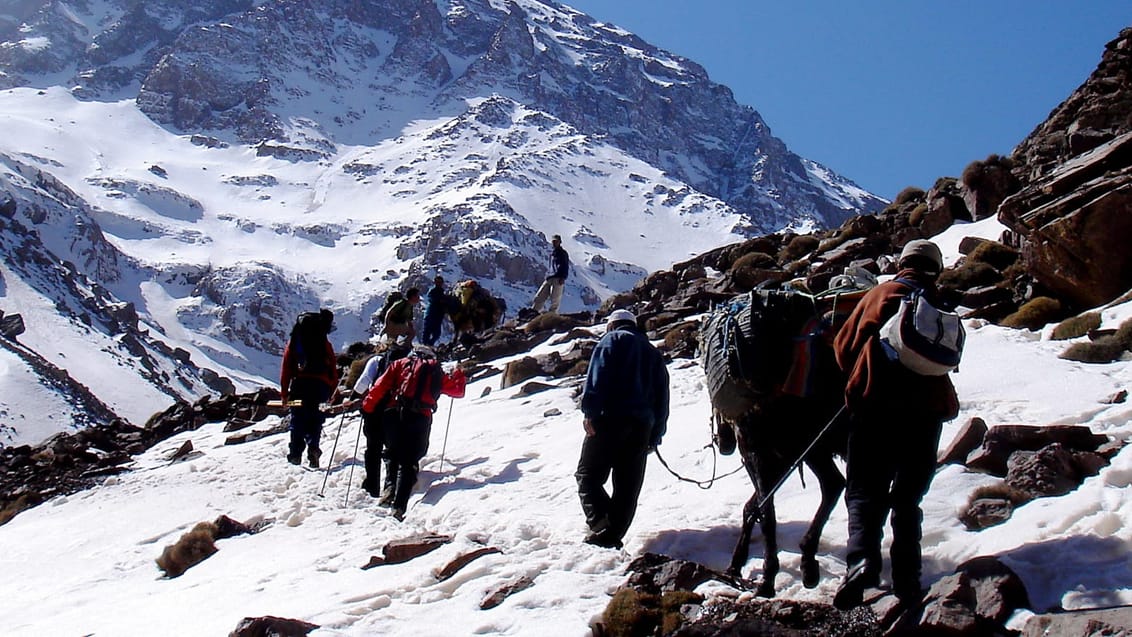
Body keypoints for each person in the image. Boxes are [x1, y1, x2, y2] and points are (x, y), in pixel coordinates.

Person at [831, 239, 960, 610]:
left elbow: (843, 348)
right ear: (935, 268)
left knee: (864, 491)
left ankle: (862, 564)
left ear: (903, 263)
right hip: (928, 413)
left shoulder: (883, 292)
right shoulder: (940, 304)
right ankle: (907, 576)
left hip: (877, 406)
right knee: (908, 498)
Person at [576, 309, 669, 549]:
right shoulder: (652, 353)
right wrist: (655, 435)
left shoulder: (612, 340)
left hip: (610, 420)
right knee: (627, 487)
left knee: (588, 476)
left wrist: (590, 413)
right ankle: (612, 536)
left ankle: (600, 522)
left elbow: (597, 377)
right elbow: (662, 398)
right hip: (642, 428)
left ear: (612, 325)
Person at [361, 346, 466, 520]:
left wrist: (367, 407)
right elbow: (458, 391)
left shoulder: (399, 364)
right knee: (409, 461)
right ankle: (399, 506)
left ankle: (389, 490)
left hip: (394, 413)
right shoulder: (436, 370)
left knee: (392, 453)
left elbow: (380, 386)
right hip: (421, 417)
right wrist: (459, 374)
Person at [279, 309, 339, 468]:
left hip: (298, 386)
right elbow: (333, 367)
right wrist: (331, 392)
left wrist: (284, 394)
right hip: (322, 389)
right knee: (317, 417)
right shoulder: (324, 343)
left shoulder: (294, 341)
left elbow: (286, 368)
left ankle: (295, 453)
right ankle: (314, 448)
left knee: (297, 416)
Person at [353, 344, 411, 503]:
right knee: (393, 450)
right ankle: (391, 487)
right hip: (397, 410)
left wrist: (353, 398)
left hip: (374, 409)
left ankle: (372, 486)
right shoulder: (408, 363)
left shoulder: (377, 361)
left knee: (373, 448)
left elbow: (362, 383)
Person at [531, 234, 569, 314]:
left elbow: (565, 265)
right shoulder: (552, 254)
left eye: (556, 241)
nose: (554, 243)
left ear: (560, 242)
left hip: (558, 278)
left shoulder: (563, 253)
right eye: (553, 241)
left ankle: (552, 316)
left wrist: (563, 277)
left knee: (555, 300)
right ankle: (533, 313)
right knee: (539, 297)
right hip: (549, 278)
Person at [421, 276, 450, 347]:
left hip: (437, 316)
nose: (439, 283)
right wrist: (440, 301)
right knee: (427, 332)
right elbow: (431, 299)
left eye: (440, 282)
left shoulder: (442, 292)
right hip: (431, 314)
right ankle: (425, 346)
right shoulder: (432, 291)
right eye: (438, 282)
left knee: (436, 334)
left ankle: (429, 345)